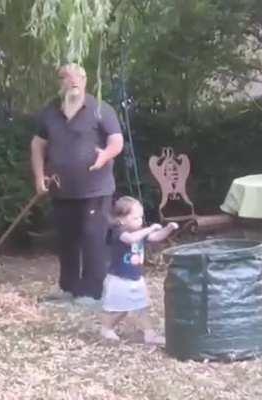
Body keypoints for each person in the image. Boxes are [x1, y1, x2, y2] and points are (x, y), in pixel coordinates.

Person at [30, 63, 124, 305]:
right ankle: (68, 288)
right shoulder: (50, 112)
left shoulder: (101, 109)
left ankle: (92, 292)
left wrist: (104, 156)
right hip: (61, 190)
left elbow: (116, 141)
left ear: (86, 80)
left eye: (78, 77)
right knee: (66, 240)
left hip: (96, 188)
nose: (73, 81)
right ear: (59, 83)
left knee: (93, 237)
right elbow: (37, 145)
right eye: (67, 77)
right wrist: (40, 177)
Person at [100, 196, 178, 343]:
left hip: (136, 277)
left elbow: (155, 237)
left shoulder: (139, 232)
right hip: (120, 278)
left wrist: (168, 229)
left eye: (141, 217)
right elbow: (130, 239)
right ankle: (107, 328)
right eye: (135, 218)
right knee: (120, 308)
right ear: (121, 219)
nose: (140, 221)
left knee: (142, 306)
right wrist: (149, 228)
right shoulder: (118, 232)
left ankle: (150, 334)